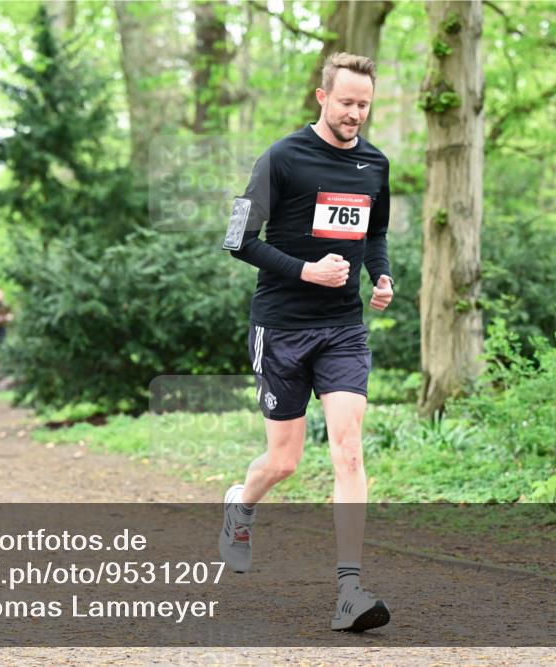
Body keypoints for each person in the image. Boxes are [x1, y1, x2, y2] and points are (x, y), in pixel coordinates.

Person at [220, 52, 395, 633]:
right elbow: (237, 239)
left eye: (364, 105)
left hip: (343, 329)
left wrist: (381, 276)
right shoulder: (281, 158)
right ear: (322, 97)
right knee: (284, 461)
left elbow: (375, 234)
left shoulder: (375, 164)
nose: (355, 114)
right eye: (346, 102)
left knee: (348, 449)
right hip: (282, 328)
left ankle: (350, 591)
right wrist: (305, 271)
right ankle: (241, 505)